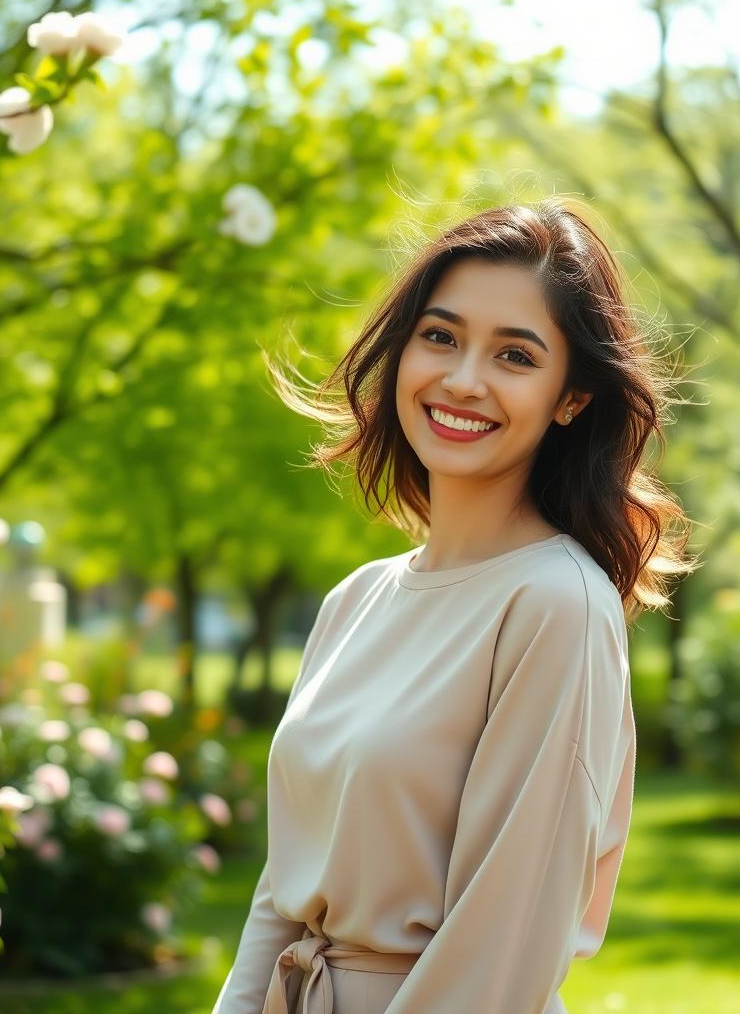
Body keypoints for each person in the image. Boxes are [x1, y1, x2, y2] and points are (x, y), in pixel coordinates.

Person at [212, 198, 696, 1014]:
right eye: (440, 336)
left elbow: (504, 942)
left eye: (515, 355)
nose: (463, 380)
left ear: (571, 397)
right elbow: (284, 888)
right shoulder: (355, 600)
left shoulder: (556, 605)